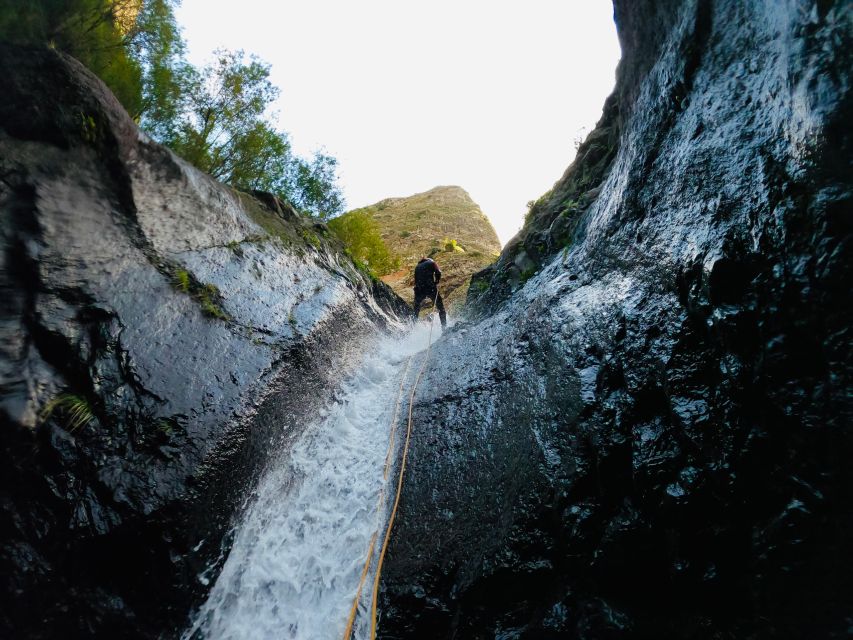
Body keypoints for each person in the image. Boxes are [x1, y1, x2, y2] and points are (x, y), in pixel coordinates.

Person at [412, 257, 447, 328]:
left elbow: (416, 281)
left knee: (416, 310)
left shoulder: (417, 267)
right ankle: (444, 327)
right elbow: (438, 272)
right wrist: (437, 281)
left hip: (419, 290)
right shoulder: (432, 262)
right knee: (440, 308)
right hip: (430, 287)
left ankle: (412, 328)